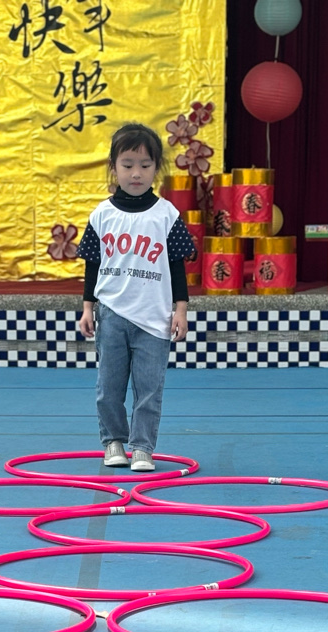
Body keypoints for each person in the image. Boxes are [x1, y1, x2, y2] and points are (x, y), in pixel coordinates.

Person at [77, 122, 195, 471]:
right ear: (113, 167)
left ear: (157, 168)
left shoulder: (167, 215)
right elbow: (92, 264)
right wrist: (87, 308)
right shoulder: (102, 215)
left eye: (145, 165)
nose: (136, 173)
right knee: (109, 385)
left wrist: (180, 310)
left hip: (154, 318)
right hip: (112, 313)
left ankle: (142, 447)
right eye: (127, 165)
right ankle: (113, 441)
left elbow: (177, 266)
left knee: (149, 388)